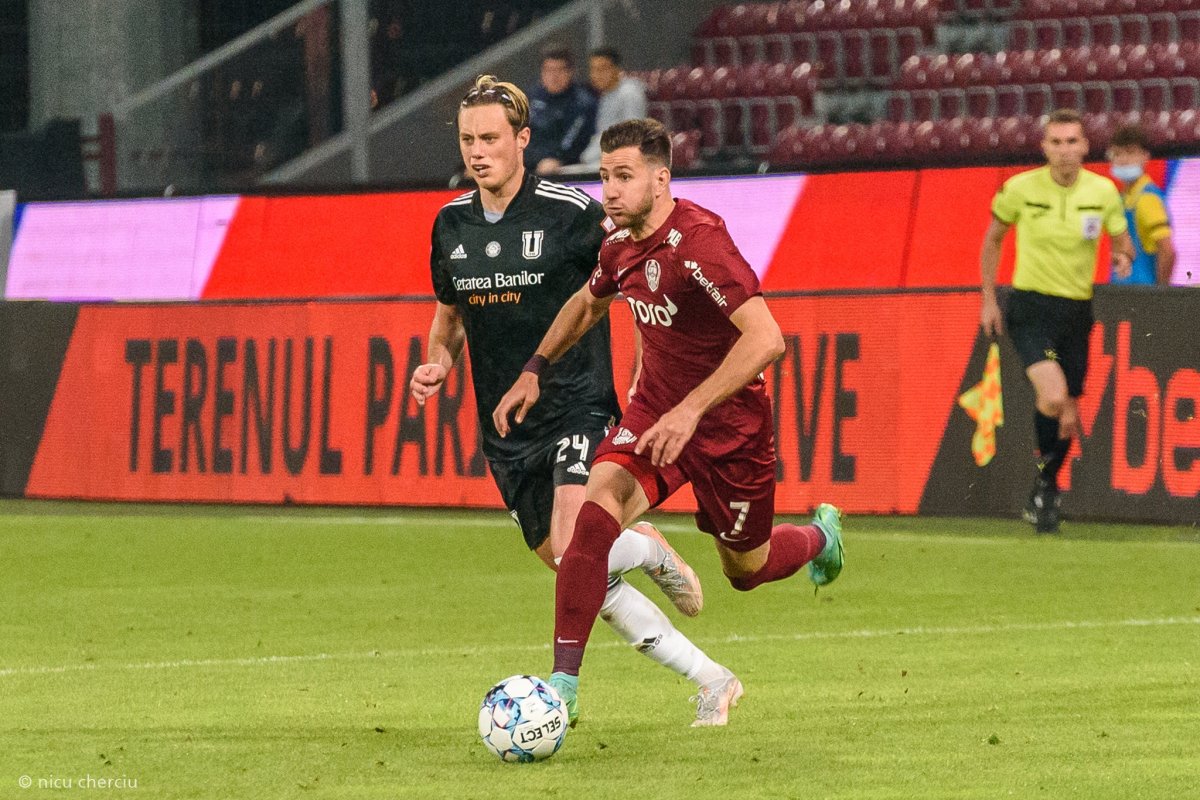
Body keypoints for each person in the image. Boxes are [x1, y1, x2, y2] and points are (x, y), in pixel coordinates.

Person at [493, 118, 845, 729]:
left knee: (747, 570)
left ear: (661, 180)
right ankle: (562, 687)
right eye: (605, 176)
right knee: (593, 516)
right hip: (656, 415)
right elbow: (587, 303)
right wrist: (535, 368)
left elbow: (767, 339)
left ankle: (821, 537)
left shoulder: (700, 242)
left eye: (624, 176)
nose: (610, 190)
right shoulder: (619, 244)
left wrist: (691, 410)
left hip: (730, 429)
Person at [411, 76, 734, 726]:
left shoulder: (571, 212)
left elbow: (636, 271)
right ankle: (711, 676)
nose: (477, 151)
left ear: (522, 140)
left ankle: (635, 566)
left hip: (577, 406)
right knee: (573, 568)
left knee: (572, 546)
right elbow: (448, 318)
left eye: (490, 138)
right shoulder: (450, 224)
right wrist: (437, 362)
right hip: (507, 429)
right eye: (468, 139)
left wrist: (654, 363)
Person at [979, 109, 1135, 533]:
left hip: (1076, 311)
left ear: (1085, 146)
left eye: (1072, 142)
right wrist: (989, 299)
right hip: (1031, 308)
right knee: (1052, 396)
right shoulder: (1020, 189)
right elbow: (993, 239)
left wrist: (1122, 256)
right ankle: (1045, 488)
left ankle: (1044, 487)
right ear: (1044, 147)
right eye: (1056, 142)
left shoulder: (1103, 192)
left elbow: (1122, 241)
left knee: (1067, 414)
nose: (1065, 150)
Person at [1107, 124, 1175, 286]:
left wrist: (1160, 293)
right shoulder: (1122, 197)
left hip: (1141, 290)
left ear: (1145, 156)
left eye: (1130, 153)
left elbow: (1167, 251)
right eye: (1117, 154)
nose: (1123, 160)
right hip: (1122, 289)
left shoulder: (1147, 198)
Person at [565, 46, 648, 173]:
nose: (597, 75)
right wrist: (587, 157)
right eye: (593, 70)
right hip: (599, 161)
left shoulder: (629, 93)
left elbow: (633, 137)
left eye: (602, 69)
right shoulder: (605, 96)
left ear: (617, 69)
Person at [524, 46, 597, 175]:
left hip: (563, 166)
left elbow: (572, 142)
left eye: (560, 70)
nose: (554, 76)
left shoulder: (582, 103)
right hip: (528, 159)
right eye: (549, 70)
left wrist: (555, 159)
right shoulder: (530, 97)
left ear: (570, 72)